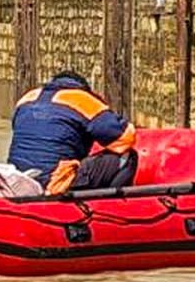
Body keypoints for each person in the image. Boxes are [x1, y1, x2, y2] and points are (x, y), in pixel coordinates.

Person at [7, 70, 139, 195]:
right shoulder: (82, 99)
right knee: (128, 156)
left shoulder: (27, 99)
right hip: (55, 183)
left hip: (16, 180)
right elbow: (125, 137)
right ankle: (111, 204)